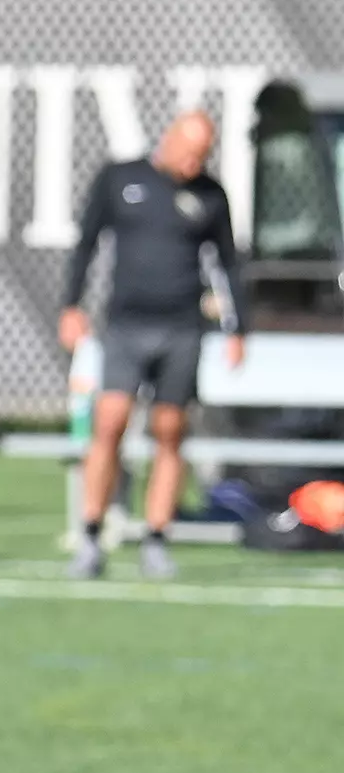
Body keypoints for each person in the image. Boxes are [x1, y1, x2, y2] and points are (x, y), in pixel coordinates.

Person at [59, 110, 247, 580]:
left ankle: (157, 538)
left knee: (170, 429)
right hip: (126, 325)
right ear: (170, 140)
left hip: (181, 329)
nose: (193, 163)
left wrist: (238, 328)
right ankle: (91, 533)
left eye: (202, 156)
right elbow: (86, 243)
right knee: (110, 421)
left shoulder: (209, 195)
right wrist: (71, 305)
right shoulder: (121, 179)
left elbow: (228, 263)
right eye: (189, 153)